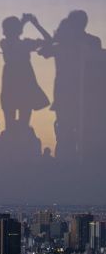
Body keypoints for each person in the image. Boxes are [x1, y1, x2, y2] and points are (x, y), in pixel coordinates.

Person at [38, 10, 102, 161]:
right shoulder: (64, 44)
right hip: (68, 93)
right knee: (66, 131)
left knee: (78, 130)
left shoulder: (90, 42)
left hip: (84, 93)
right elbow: (45, 51)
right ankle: (67, 163)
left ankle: (76, 162)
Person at [0, 14, 50, 131]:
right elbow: (48, 40)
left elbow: (48, 41)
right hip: (22, 84)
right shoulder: (17, 44)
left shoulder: (8, 43)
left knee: (14, 124)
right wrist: (31, 23)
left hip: (15, 84)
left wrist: (28, 24)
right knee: (19, 123)